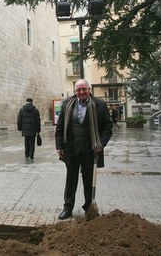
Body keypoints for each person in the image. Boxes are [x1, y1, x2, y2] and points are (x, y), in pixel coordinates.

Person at [55, 79, 113, 220]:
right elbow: (60, 127)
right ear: (75, 91)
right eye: (78, 90)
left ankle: (89, 207)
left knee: (88, 180)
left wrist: (101, 144)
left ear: (89, 89)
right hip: (71, 149)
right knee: (71, 180)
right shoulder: (67, 104)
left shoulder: (99, 105)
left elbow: (108, 127)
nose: (81, 92)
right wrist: (59, 146)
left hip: (90, 150)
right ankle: (67, 208)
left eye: (84, 89)